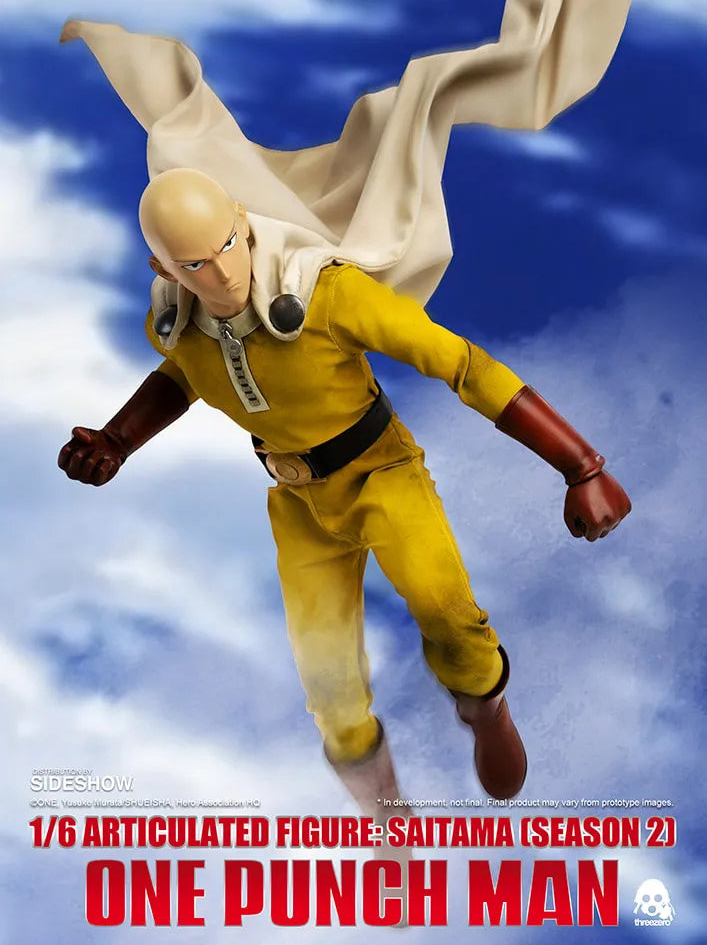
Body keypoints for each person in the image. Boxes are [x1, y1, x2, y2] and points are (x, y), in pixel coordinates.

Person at [58, 167, 631, 818]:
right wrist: (118, 439)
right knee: (329, 691)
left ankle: (484, 705)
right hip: (298, 504)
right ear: (164, 267)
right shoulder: (177, 322)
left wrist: (581, 465)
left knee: (446, 612)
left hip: (380, 473)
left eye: (227, 245)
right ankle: (386, 816)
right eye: (194, 264)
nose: (221, 273)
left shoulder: (326, 293)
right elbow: (185, 370)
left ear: (242, 221)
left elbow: (462, 364)